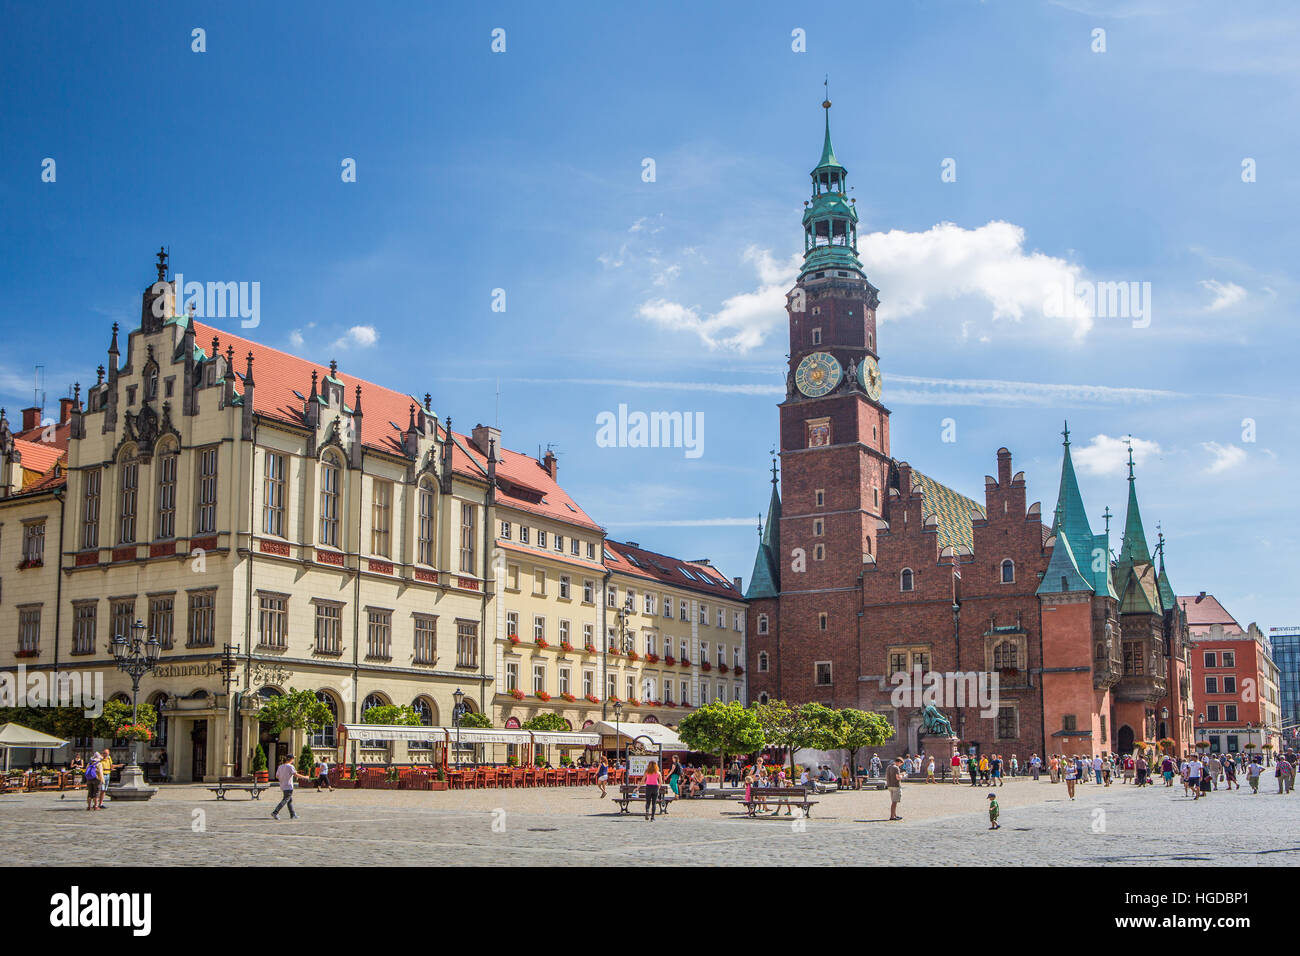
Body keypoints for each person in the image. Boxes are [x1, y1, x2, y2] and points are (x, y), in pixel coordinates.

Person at [271, 755, 309, 820]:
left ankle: (293, 814)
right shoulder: (290, 767)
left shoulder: (280, 766)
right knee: (285, 800)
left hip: (283, 785)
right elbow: (296, 774)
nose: (293, 760)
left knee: (289, 800)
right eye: (293, 759)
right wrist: (305, 777)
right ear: (290, 759)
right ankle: (275, 812)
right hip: (288, 786)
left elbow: (277, 776)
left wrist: (283, 777)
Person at [886, 757, 904, 821]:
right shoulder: (896, 768)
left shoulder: (888, 767)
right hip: (896, 786)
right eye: (901, 764)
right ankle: (892, 816)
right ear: (899, 762)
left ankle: (894, 814)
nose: (900, 765)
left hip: (890, 786)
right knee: (894, 802)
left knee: (893, 801)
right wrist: (903, 775)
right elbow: (898, 778)